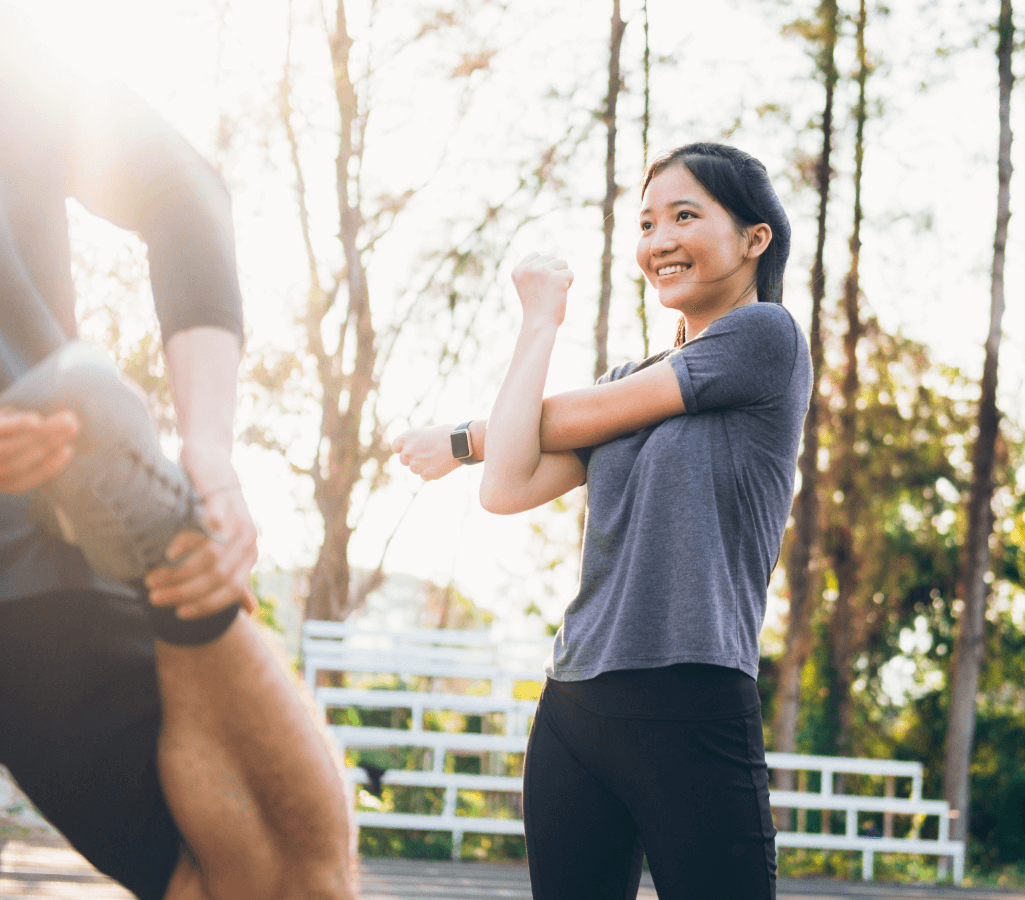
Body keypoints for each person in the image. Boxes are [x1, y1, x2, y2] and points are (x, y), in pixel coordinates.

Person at [393, 142, 812, 900]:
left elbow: (566, 419)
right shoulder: (626, 382)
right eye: (647, 224)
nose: (659, 242)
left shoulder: (767, 339)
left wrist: (461, 439)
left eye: (685, 216)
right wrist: (540, 324)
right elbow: (509, 483)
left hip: (691, 694)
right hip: (575, 705)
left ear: (757, 239)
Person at [0, 9, 355, 900]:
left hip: (40, 496)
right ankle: (165, 546)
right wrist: (206, 448)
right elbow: (182, 182)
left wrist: (207, 450)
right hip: (42, 498)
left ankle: (165, 550)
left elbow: (178, 184)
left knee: (280, 883)